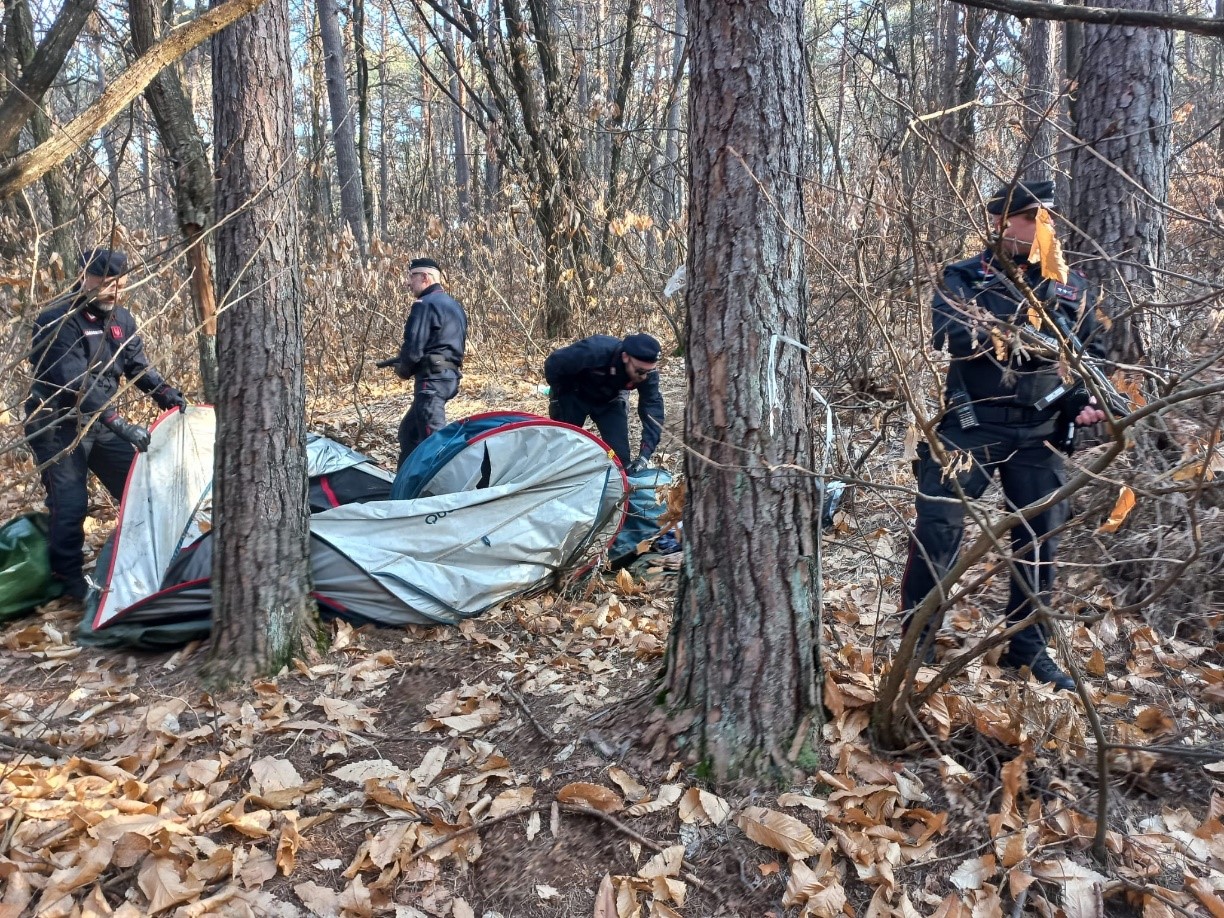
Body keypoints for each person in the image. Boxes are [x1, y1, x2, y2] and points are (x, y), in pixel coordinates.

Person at [899, 180, 1107, 691]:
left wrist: (1086, 401)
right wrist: (1026, 331)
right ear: (1002, 222)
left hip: (1039, 433)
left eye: (1049, 220)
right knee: (938, 530)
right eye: (1032, 218)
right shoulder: (964, 276)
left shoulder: (1073, 286)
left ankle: (1028, 651)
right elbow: (953, 336)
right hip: (971, 427)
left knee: (1040, 539)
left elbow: (1096, 354)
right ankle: (916, 645)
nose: (1044, 230)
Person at [24, 248, 188, 602]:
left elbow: (136, 364)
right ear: (85, 277)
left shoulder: (121, 320)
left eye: (120, 283)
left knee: (137, 490)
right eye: (105, 282)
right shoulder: (56, 321)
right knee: (70, 504)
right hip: (56, 425)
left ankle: (150, 562)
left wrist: (165, 393)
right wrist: (120, 424)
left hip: (100, 425)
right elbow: (73, 383)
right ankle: (67, 581)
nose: (113, 290)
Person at [543, 333, 664, 473]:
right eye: (640, 371)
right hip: (573, 396)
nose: (644, 377)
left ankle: (613, 481)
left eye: (649, 372)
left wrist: (645, 455)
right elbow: (553, 364)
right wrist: (557, 396)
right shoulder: (595, 350)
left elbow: (652, 411)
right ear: (625, 357)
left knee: (618, 459)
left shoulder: (647, 374)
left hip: (609, 401)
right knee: (563, 445)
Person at [389, 257, 467, 466]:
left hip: (431, 382)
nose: (408, 283)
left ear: (425, 277)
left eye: (411, 277)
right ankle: (405, 487)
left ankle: (448, 490)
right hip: (448, 378)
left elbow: (413, 349)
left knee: (435, 444)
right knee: (409, 433)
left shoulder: (424, 305)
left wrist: (403, 370)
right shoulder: (454, 306)